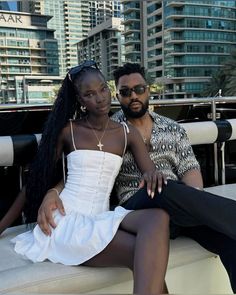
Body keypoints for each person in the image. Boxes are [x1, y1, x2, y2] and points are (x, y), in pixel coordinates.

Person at [38, 63, 236, 293]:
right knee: (163, 187)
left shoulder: (173, 128)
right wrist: (53, 192)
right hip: (136, 207)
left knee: (229, 241)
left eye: (139, 89)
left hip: (178, 206)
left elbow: (190, 169)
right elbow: (86, 169)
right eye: (125, 92)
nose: (133, 96)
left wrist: (194, 206)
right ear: (118, 95)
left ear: (148, 90)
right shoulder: (109, 128)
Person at [11, 61, 170, 295]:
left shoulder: (127, 133)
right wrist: (5, 223)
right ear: (80, 101)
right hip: (67, 222)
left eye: (103, 89)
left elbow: (149, 171)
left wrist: (154, 173)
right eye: (89, 94)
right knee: (146, 254)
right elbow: (37, 179)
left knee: (158, 218)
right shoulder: (69, 131)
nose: (100, 98)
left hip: (101, 217)